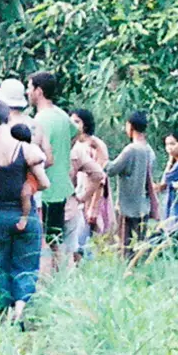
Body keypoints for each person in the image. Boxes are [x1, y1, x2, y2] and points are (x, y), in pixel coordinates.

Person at [0, 98, 46, 324]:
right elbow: (44, 182)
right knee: (26, 263)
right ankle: (20, 306)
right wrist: (29, 186)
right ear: (8, 116)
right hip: (24, 214)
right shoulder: (25, 149)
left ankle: (2, 312)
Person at [25, 71, 77, 279]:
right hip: (61, 185)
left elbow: (39, 155)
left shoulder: (40, 120)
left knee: (45, 239)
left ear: (38, 91)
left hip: (46, 188)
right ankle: (62, 276)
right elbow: (74, 135)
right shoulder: (62, 115)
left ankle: (47, 278)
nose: (27, 92)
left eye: (29, 87)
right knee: (56, 238)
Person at [104, 110, 158, 259]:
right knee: (142, 244)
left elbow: (112, 169)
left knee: (125, 245)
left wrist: (102, 160)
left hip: (127, 206)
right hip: (143, 205)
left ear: (130, 126)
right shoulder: (149, 151)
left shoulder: (130, 150)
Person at [67, 108, 110, 263]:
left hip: (91, 197)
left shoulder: (95, 144)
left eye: (77, 121)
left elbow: (100, 178)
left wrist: (93, 205)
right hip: (77, 194)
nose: (73, 124)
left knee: (86, 239)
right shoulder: (72, 143)